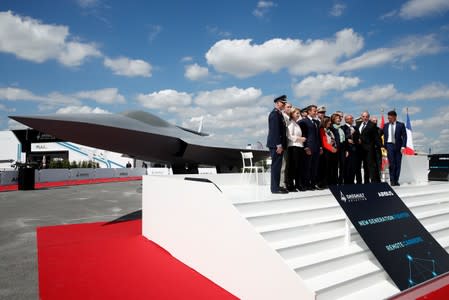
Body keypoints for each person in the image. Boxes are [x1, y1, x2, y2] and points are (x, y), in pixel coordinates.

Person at [267, 95, 289, 194]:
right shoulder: (274, 114)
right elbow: (275, 131)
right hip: (276, 145)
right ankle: (275, 188)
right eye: (282, 103)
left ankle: (277, 186)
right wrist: (279, 145)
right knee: (276, 167)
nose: (284, 104)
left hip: (279, 145)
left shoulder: (279, 114)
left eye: (284, 103)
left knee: (278, 167)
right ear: (277, 103)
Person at [299, 105, 323, 190]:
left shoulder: (316, 122)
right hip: (308, 147)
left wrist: (320, 147)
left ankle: (313, 183)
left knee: (314, 167)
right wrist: (305, 147)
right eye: (314, 111)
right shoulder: (303, 121)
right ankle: (306, 184)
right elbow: (303, 135)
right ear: (309, 111)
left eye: (316, 111)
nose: (316, 112)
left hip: (316, 147)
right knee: (307, 167)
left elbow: (318, 136)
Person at [356, 111, 381, 183]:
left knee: (370, 166)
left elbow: (376, 137)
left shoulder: (372, 125)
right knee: (362, 166)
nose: (365, 118)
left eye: (366, 116)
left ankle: (375, 182)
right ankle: (364, 182)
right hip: (359, 149)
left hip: (369, 149)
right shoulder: (358, 125)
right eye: (363, 116)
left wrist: (379, 146)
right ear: (361, 117)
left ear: (369, 117)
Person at [383, 110, 407, 186]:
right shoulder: (386, 125)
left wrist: (403, 146)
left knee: (398, 164)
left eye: (390, 118)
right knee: (392, 164)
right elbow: (380, 133)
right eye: (388, 118)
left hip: (398, 146)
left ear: (394, 117)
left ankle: (396, 180)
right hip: (389, 146)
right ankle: (392, 180)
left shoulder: (401, 125)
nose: (389, 119)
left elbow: (405, 136)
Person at [286, 108, 306, 191]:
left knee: (299, 167)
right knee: (293, 167)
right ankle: (291, 185)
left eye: (299, 113)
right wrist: (300, 139)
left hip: (299, 147)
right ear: (292, 114)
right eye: (296, 113)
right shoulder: (291, 123)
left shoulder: (296, 124)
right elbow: (289, 135)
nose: (298, 114)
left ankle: (298, 184)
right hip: (293, 147)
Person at [320, 116, 338, 186]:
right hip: (326, 151)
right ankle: (325, 182)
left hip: (332, 150)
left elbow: (333, 140)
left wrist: (335, 148)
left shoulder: (330, 130)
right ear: (325, 122)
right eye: (329, 121)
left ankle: (331, 181)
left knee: (331, 167)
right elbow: (324, 142)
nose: (330, 122)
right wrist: (331, 148)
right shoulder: (322, 130)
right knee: (326, 167)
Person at [341, 114, 359, 184]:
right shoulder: (343, 128)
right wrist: (348, 137)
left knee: (353, 167)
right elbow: (342, 138)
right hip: (347, 150)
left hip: (355, 150)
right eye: (350, 118)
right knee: (347, 167)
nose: (352, 120)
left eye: (352, 118)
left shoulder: (355, 128)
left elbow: (358, 137)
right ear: (346, 120)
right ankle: (346, 182)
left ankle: (352, 181)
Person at [330, 113, 347, 185]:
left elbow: (345, 139)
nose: (339, 119)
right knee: (335, 165)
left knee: (342, 165)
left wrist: (346, 150)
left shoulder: (342, 127)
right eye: (337, 118)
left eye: (340, 118)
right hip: (335, 148)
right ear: (333, 119)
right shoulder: (331, 127)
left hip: (342, 148)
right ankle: (334, 180)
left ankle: (341, 180)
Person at [280, 102, 293, 189]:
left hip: (287, 144)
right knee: (283, 166)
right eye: (288, 107)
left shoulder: (288, 118)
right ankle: (281, 184)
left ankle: (284, 183)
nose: (289, 108)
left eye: (290, 107)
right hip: (282, 144)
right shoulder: (282, 117)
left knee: (286, 165)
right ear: (284, 108)